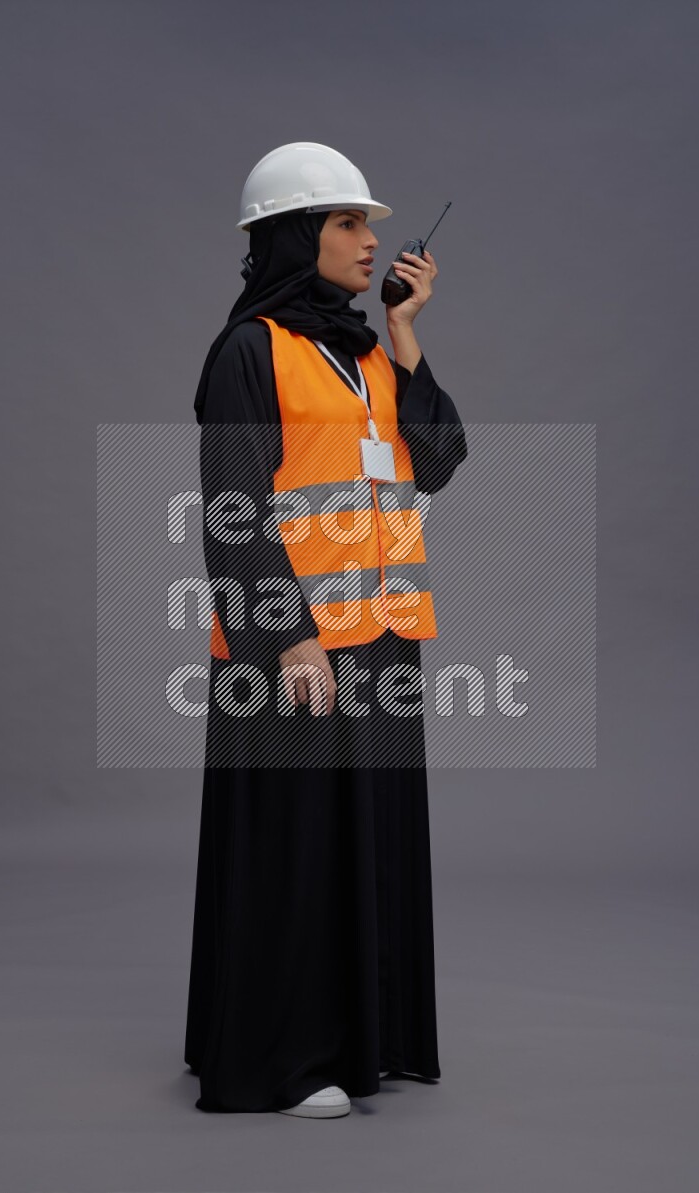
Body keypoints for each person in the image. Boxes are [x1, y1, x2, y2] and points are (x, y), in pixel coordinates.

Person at [184, 143, 468, 1118]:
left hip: (382, 637)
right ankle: (286, 1055)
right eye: (347, 222)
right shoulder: (246, 353)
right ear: (294, 238)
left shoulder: (359, 353)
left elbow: (434, 460)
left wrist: (402, 330)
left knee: (363, 841)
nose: (370, 239)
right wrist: (289, 636)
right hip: (292, 647)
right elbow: (233, 507)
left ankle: (358, 1039)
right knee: (296, 848)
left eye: (366, 223)